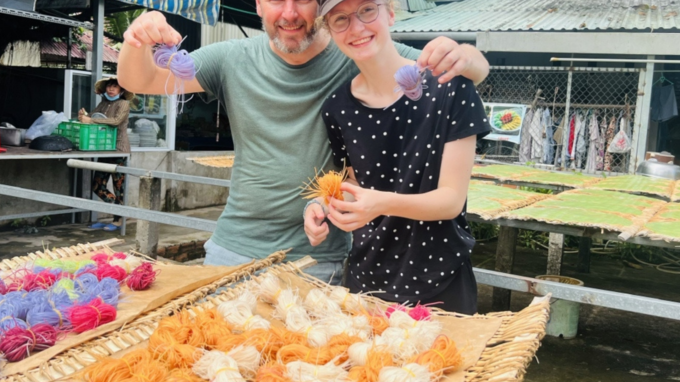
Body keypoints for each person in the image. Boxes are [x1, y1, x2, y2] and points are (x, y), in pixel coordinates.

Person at [117, 6, 489, 284]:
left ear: (323, 10)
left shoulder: (354, 49)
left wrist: (469, 56)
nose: (290, 13)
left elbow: (453, 70)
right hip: (232, 247)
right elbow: (143, 79)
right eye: (277, 0)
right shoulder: (231, 59)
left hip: (318, 258)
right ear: (260, 5)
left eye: (304, 1)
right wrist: (136, 38)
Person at [304, 0, 491, 314]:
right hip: (367, 281)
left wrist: (380, 202)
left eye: (367, 10)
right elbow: (353, 181)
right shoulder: (337, 108)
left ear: (390, 13)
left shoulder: (450, 87)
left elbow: (450, 200)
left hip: (440, 280)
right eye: (340, 19)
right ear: (330, 31)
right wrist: (322, 205)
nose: (357, 27)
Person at [79, 77, 133, 232]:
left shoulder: (123, 104)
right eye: (109, 86)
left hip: (119, 149)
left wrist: (90, 121)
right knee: (97, 185)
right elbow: (92, 117)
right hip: (104, 149)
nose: (111, 89)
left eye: (115, 87)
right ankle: (121, 213)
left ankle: (118, 220)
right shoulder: (103, 103)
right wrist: (83, 116)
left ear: (121, 90)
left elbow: (115, 121)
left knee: (118, 188)